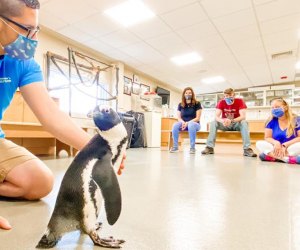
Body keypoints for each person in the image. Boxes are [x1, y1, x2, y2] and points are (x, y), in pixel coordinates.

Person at [0, 0, 92, 230]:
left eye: (36, 30)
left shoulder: (24, 63)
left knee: (40, 182)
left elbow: (50, 113)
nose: (32, 38)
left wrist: (97, 149)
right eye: (26, 29)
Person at [201, 88, 257, 157]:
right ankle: (209, 147)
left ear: (234, 95)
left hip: (236, 124)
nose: (227, 97)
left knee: (244, 122)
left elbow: (243, 116)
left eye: (230, 95)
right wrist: (223, 121)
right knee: (213, 123)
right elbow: (216, 117)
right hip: (225, 124)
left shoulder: (240, 101)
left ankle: (247, 149)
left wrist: (232, 120)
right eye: (226, 96)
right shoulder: (221, 102)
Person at [256, 98, 300, 163]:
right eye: (273, 108)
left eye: (277, 107)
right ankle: (287, 159)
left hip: (290, 147)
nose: (274, 109)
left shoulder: (296, 119)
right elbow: (267, 138)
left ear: (285, 108)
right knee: (259, 143)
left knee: (263, 155)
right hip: (276, 148)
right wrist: (276, 143)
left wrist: (285, 145)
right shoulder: (270, 121)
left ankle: (272, 157)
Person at [169, 87, 202, 154]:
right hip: (183, 124)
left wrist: (187, 123)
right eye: (186, 93)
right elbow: (179, 118)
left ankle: (192, 148)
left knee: (191, 124)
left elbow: (197, 118)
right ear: (184, 94)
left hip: (195, 124)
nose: (188, 94)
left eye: (190, 93)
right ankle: (175, 147)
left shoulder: (197, 103)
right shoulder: (180, 104)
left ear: (192, 94)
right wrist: (183, 122)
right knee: (175, 125)